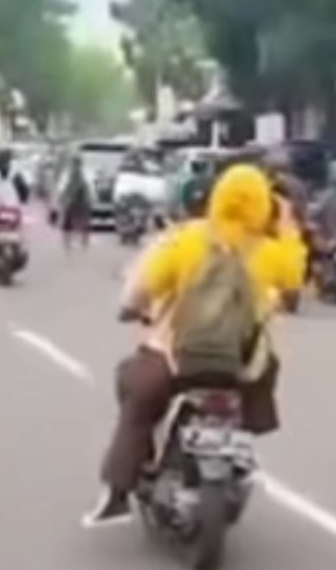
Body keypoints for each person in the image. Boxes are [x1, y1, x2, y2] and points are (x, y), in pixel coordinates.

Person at [84, 164, 306, 526]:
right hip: (241, 367)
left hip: (177, 361)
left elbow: (144, 289)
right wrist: (287, 227)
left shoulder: (188, 238)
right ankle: (243, 439)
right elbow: (295, 282)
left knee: (136, 392)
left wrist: (130, 310)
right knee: (266, 369)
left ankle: (118, 492)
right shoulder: (270, 251)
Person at [54, 153, 92, 251]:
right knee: (80, 220)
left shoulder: (73, 173)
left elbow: (65, 187)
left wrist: (62, 197)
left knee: (71, 220)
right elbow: (88, 187)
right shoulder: (82, 172)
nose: (75, 165)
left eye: (75, 163)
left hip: (77, 200)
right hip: (80, 200)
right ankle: (81, 240)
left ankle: (73, 240)